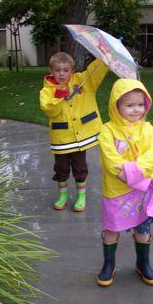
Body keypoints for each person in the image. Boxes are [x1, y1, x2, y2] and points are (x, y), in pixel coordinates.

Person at [97, 78, 153, 286]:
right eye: (129, 105)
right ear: (115, 105)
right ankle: (108, 264)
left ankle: (143, 262)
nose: (136, 109)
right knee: (112, 228)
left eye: (140, 104)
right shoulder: (107, 130)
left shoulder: (147, 130)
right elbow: (111, 159)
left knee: (142, 227)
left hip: (142, 189)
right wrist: (127, 174)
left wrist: (134, 173)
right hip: (115, 189)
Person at [40, 52, 108, 212]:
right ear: (51, 70)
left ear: (72, 70)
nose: (62, 74)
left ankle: (81, 196)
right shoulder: (47, 91)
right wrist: (60, 96)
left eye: (66, 70)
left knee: (80, 167)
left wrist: (105, 57)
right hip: (62, 139)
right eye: (58, 70)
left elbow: (95, 70)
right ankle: (63, 195)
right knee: (61, 168)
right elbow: (49, 110)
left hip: (81, 137)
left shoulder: (83, 81)